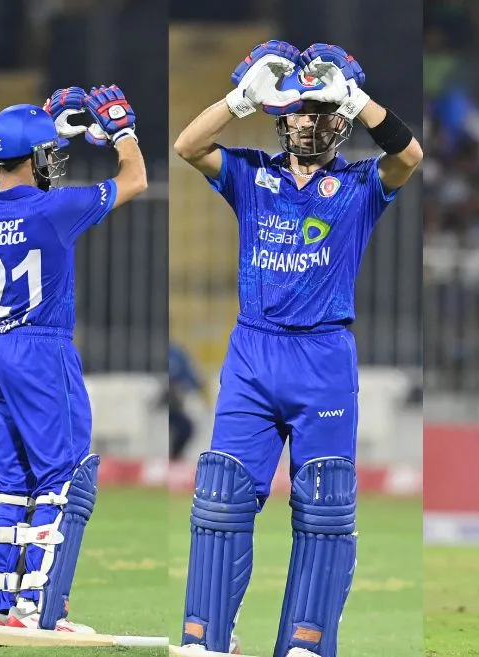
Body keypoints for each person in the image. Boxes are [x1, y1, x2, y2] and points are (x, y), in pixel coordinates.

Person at [172, 41, 422, 656]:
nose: (306, 121)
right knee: (223, 494)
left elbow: (410, 155)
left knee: (325, 506)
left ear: (338, 118)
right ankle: (206, 639)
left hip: (324, 358)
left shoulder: (363, 184)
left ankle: (306, 644)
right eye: (297, 110)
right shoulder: (253, 176)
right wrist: (238, 99)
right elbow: (187, 146)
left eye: (319, 110)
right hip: (254, 354)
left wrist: (359, 99)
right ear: (279, 114)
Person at [0, 85, 147, 632]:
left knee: (12, 483)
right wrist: (122, 131)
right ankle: (42, 608)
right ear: (36, 158)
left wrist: (43, 126)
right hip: (43, 352)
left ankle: (1, 606)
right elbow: (136, 178)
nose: (56, 162)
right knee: (61, 480)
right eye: (49, 154)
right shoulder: (53, 208)